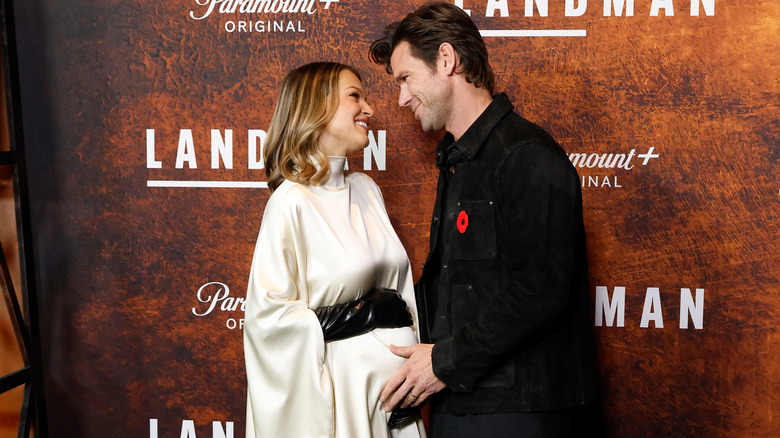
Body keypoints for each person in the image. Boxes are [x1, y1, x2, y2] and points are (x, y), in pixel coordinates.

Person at [368, 3, 600, 437]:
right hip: (462, 401)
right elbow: (459, 290)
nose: (400, 98)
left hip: (523, 413)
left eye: (405, 78)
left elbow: (542, 290)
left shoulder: (525, 155)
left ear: (446, 59)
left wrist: (444, 361)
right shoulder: (457, 159)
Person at [243, 62, 427, 438]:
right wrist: (365, 314)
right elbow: (269, 324)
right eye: (354, 97)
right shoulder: (291, 201)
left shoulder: (367, 190)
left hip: (394, 406)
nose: (370, 109)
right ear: (317, 108)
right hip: (341, 410)